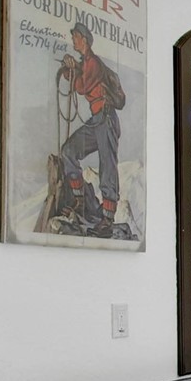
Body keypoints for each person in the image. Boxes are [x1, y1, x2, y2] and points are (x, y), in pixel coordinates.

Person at [54, 23, 125, 234]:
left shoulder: (93, 63)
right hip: (96, 120)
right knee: (69, 150)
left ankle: (108, 218)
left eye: (75, 37)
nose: (73, 41)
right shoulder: (85, 63)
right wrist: (72, 68)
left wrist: (72, 69)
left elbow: (82, 86)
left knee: (107, 165)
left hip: (106, 118)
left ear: (83, 39)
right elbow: (79, 78)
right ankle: (79, 200)